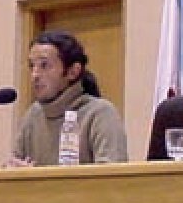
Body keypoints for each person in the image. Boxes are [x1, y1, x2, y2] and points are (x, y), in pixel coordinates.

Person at [8, 30, 127, 166]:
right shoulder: (33, 116)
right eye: (31, 66)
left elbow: (112, 175)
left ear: (73, 72)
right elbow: (15, 165)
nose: (35, 75)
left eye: (44, 65)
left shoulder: (100, 113)